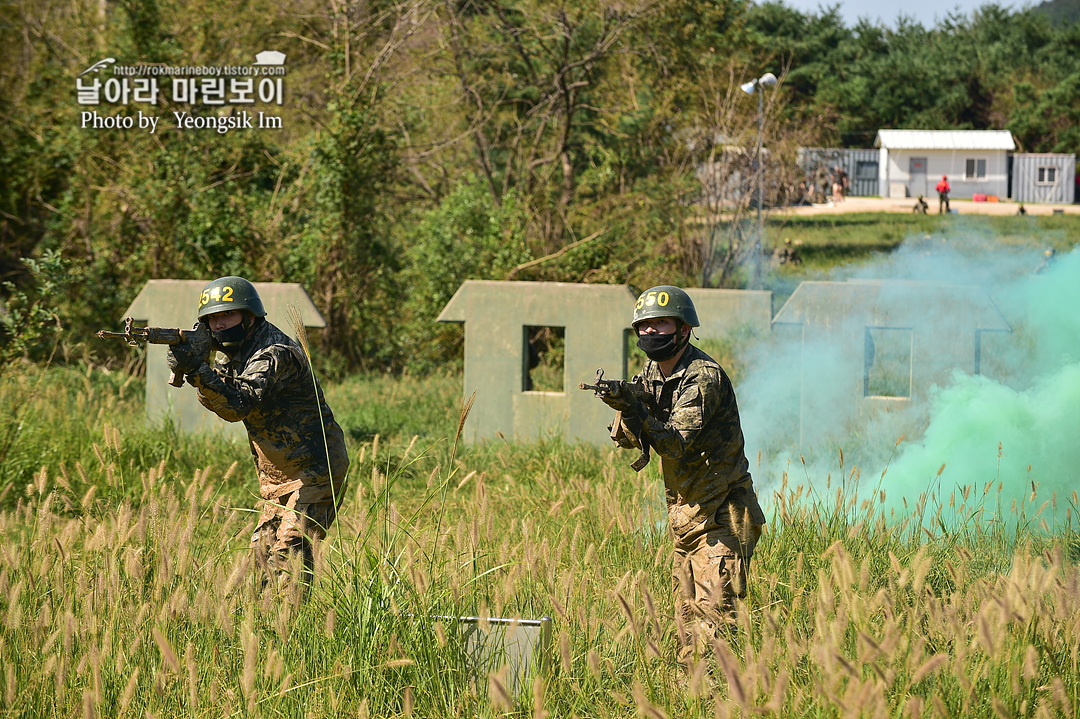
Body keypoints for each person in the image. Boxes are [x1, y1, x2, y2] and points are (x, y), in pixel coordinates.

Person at [601, 286, 766, 654]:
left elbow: (676, 444)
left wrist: (638, 411)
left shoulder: (702, 377)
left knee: (713, 634)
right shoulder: (652, 373)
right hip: (687, 520)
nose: (651, 332)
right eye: (645, 325)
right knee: (686, 630)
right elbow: (627, 441)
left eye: (661, 324)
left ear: (684, 329)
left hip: (723, 516)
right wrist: (627, 406)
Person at [167, 276, 350, 588]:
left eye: (228, 314)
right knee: (259, 567)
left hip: (315, 470)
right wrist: (197, 372)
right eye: (213, 318)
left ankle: (293, 633)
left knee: (287, 560)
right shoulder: (234, 353)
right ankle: (265, 635)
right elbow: (225, 407)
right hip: (277, 478)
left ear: (250, 315)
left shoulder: (274, 352)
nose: (220, 324)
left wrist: (199, 371)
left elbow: (239, 402)